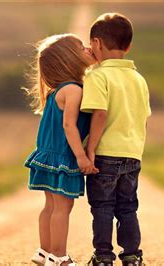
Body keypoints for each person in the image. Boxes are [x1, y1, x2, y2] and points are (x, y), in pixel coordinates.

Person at [80, 13, 151, 266]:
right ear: (128, 46)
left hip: (105, 155)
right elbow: (143, 118)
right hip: (132, 154)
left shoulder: (98, 77)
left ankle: (103, 257)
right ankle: (132, 256)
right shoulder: (139, 79)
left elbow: (99, 113)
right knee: (128, 207)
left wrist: (90, 150)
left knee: (102, 207)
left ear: (96, 44)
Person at [24, 33, 98, 266]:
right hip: (63, 156)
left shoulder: (57, 91)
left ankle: (44, 252)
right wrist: (80, 156)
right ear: (69, 58)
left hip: (47, 155)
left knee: (51, 206)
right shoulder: (74, 90)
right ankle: (59, 256)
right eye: (81, 47)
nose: (88, 48)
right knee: (63, 208)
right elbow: (68, 125)